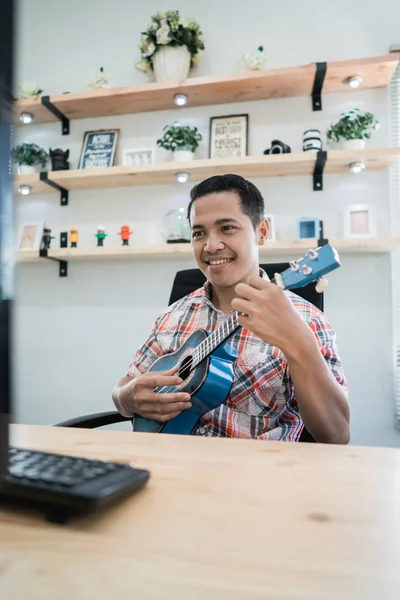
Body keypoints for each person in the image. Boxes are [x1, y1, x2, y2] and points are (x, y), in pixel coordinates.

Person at [112, 174, 350, 443]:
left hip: (259, 476)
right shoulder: (172, 315)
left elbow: (337, 436)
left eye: (227, 228)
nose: (211, 246)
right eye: (199, 233)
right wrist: (127, 396)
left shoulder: (307, 319)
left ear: (261, 232)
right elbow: (124, 386)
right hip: (167, 464)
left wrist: (299, 343)